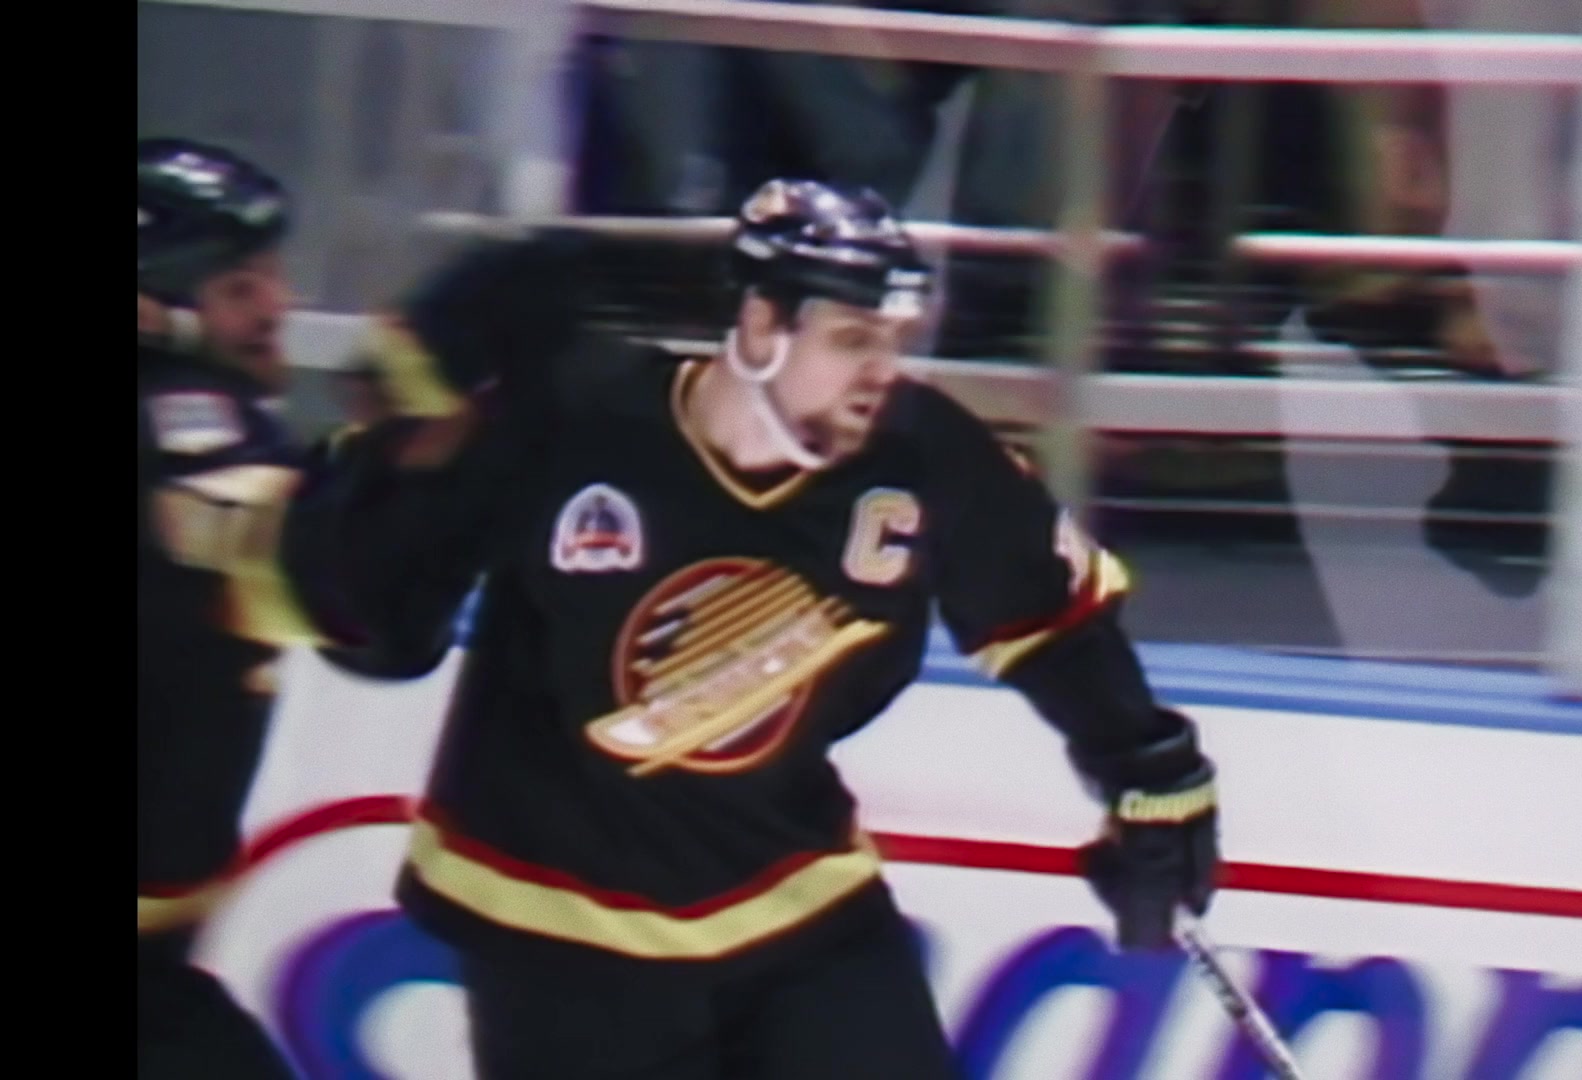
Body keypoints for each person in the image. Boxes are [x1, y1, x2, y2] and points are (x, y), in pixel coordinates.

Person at [282, 178, 1222, 1078]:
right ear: (764, 324)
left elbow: (1048, 614)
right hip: (556, 922)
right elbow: (378, 623)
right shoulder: (574, 416)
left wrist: (1151, 772)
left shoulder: (919, 454)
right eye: (851, 339)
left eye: (894, 340)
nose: (880, 372)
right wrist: (396, 447)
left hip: (789, 897)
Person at [136, 137, 317, 1079]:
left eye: (272, 276)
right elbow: (271, 538)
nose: (275, 306)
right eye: (241, 287)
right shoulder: (180, 413)